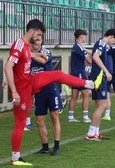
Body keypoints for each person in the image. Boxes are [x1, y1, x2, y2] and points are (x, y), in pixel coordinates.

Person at [4, 19, 101, 166]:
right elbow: (8, 67)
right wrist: (15, 91)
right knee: (20, 123)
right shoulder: (19, 44)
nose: (39, 39)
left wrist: (35, 56)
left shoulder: (25, 46)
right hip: (22, 89)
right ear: (33, 31)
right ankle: (15, 157)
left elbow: (25, 57)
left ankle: (90, 84)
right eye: (38, 35)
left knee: (57, 74)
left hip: (29, 81)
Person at [85, 28, 115, 141]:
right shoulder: (101, 43)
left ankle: (96, 132)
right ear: (110, 36)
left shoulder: (103, 44)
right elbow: (95, 56)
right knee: (102, 105)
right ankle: (91, 133)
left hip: (99, 77)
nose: (114, 43)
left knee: (101, 105)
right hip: (99, 78)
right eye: (114, 40)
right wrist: (106, 71)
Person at [30, 39, 62, 156]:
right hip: (39, 93)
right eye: (33, 42)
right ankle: (45, 147)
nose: (35, 43)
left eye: (38, 41)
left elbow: (43, 61)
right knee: (39, 121)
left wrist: (31, 55)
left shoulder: (45, 51)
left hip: (51, 90)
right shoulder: (28, 55)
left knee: (54, 117)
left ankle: (57, 146)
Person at [68, 29, 92, 123]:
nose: (85, 37)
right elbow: (89, 61)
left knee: (74, 95)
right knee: (86, 94)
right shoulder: (79, 47)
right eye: (85, 35)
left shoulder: (75, 47)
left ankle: (70, 117)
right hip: (79, 74)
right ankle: (85, 117)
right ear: (81, 36)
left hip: (74, 73)